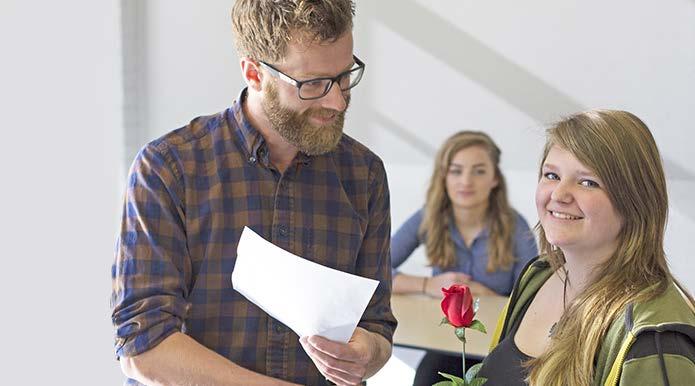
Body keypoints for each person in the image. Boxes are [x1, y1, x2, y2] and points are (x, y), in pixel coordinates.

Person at [110, 1, 397, 385]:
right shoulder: (168, 168)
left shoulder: (365, 175)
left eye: (344, 77)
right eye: (313, 84)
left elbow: (378, 326)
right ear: (254, 73)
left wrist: (365, 353)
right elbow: (144, 346)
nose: (338, 101)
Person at [479, 110, 695, 385]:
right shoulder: (537, 276)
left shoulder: (654, 334)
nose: (559, 194)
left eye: (587, 182)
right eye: (552, 175)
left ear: (635, 201)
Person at [390, 131, 538, 385]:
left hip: (496, 348)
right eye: (456, 171)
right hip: (445, 343)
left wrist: (484, 294)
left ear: (494, 179)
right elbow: (375, 269)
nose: (466, 181)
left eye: (479, 171)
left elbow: (531, 297)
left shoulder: (515, 226)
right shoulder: (428, 217)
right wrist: (428, 286)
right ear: (444, 177)